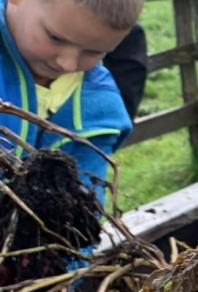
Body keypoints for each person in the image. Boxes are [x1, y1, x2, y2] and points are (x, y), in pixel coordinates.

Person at [0, 0, 140, 207]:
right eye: (55, 38)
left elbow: (80, 218)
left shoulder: (99, 113)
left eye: (93, 52)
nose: (68, 63)